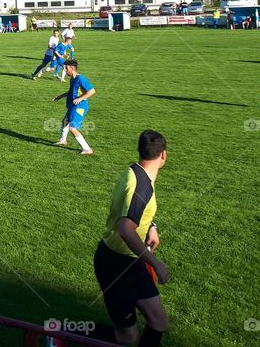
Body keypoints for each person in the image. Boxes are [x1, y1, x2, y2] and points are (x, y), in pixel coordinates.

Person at [93, 130, 170, 346]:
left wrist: (151, 226)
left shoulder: (133, 171)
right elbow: (126, 230)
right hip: (115, 264)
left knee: (158, 321)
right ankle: (61, 334)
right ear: (163, 155)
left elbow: (130, 209)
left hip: (130, 261)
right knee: (127, 337)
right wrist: (156, 263)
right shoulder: (142, 187)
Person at [52, 59, 95, 155]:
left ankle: (87, 149)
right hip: (73, 105)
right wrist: (60, 96)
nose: (64, 70)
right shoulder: (72, 79)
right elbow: (71, 92)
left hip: (80, 106)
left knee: (72, 128)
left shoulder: (81, 79)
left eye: (66, 68)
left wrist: (80, 98)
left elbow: (92, 91)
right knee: (65, 121)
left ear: (72, 68)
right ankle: (63, 140)